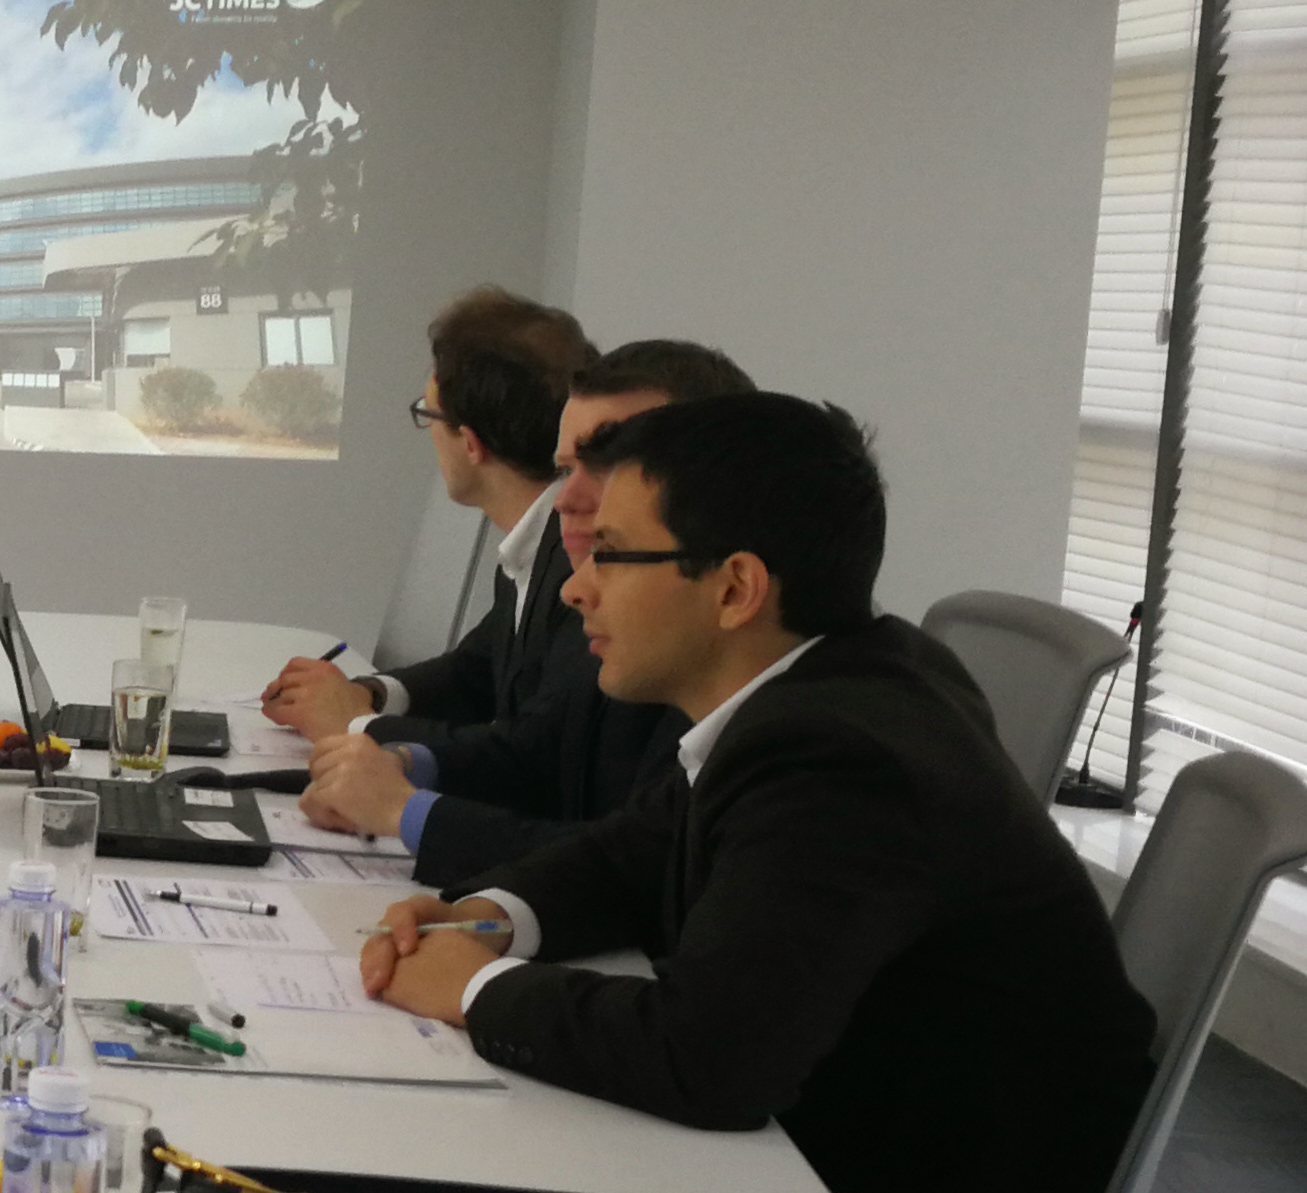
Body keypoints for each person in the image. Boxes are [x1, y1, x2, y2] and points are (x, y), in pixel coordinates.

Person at [358, 394, 1154, 1192]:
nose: (575, 587)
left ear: (735, 588)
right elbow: (636, 851)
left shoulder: (839, 759)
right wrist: (490, 917)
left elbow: (709, 1059)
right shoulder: (831, 681)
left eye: (610, 553)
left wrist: (473, 987)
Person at [297, 339, 745, 880]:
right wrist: (407, 761)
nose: (565, 500)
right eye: (567, 469)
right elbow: (550, 748)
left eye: (611, 468)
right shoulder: (591, 580)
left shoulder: (788, 729)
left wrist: (402, 803)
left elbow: (645, 867)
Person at [260, 286, 591, 740]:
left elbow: (532, 752)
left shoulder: (576, 564)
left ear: (470, 443)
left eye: (428, 414)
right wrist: (368, 694)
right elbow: (474, 673)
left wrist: (359, 725)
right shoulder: (536, 541)